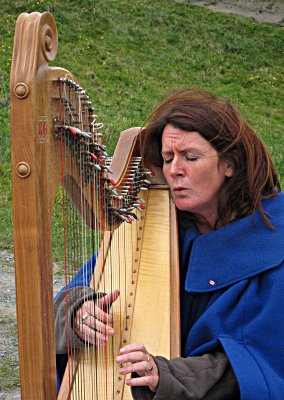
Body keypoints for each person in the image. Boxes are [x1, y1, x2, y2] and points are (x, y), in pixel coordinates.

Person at [54, 89, 283, 399]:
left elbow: (261, 363)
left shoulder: (273, 238)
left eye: (190, 157)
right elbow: (68, 297)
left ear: (229, 164)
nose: (174, 170)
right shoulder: (153, 220)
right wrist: (80, 313)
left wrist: (169, 376)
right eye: (167, 158)